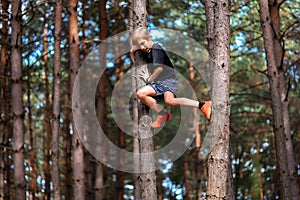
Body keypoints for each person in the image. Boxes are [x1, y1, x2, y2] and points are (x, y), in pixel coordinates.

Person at [131, 27, 211, 128]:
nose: (142, 47)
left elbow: (159, 69)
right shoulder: (149, 51)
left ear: (149, 37)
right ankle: (200, 105)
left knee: (143, 94)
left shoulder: (156, 48)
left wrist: (148, 79)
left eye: (143, 43)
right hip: (164, 81)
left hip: (167, 80)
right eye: (139, 45)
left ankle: (163, 113)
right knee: (166, 100)